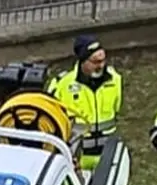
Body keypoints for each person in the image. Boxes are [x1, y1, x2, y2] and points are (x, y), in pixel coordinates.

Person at [46, 33, 123, 164]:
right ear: (82, 61)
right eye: (95, 62)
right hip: (77, 157)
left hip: (107, 155)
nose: (101, 66)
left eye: (103, 60)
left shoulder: (115, 80)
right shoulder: (62, 85)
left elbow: (117, 109)